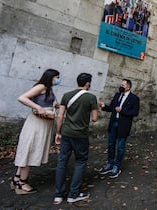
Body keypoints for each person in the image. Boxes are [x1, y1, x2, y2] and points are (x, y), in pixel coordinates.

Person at [11, 69, 61, 194]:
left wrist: (55, 106)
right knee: (30, 150)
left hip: (44, 124)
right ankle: (22, 183)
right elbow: (22, 98)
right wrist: (37, 107)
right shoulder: (41, 86)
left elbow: (45, 101)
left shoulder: (48, 88)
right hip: (36, 124)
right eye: (57, 77)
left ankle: (17, 178)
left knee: (31, 150)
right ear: (51, 77)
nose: (58, 80)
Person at [53, 73, 98, 205]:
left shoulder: (66, 95)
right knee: (80, 161)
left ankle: (58, 195)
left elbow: (60, 116)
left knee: (62, 161)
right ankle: (73, 194)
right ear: (88, 83)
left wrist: (58, 132)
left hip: (66, 133)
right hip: (80, 134)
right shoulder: (91, 97)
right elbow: (95, 118)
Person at [98, 79, 139, 178]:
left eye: (123, 85)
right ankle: (110, 163)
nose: (121, 86)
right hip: (113, 123)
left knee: (120, 146)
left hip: (123, 125)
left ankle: (117, 166)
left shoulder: (134, 98)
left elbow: (135, 112)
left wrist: (122, 111)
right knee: (111, 144)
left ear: (128, 87)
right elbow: (112, 108)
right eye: (121, 84)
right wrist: (104, 107)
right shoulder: (117, 95)